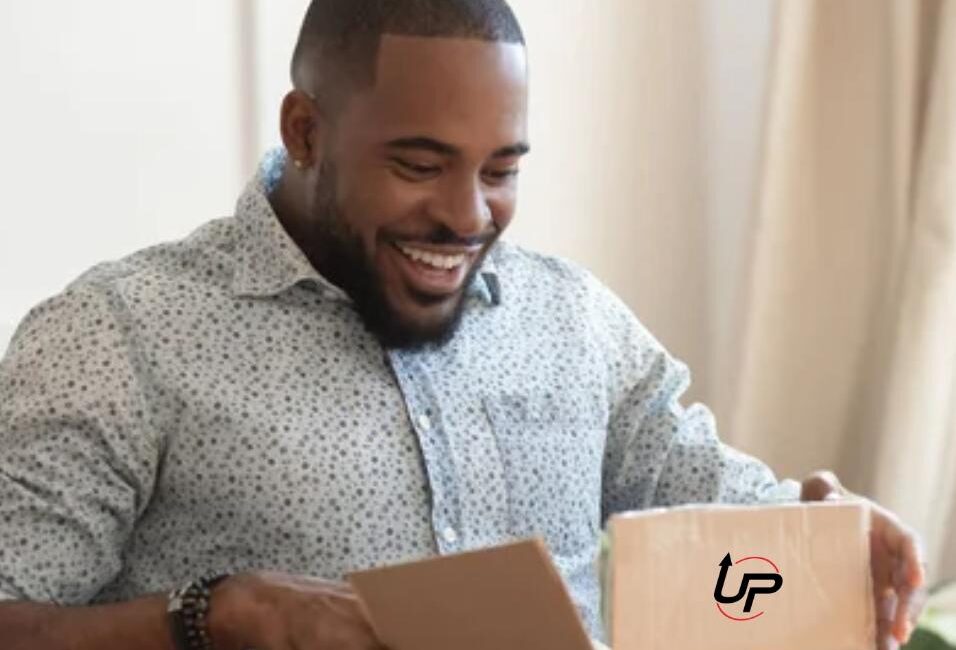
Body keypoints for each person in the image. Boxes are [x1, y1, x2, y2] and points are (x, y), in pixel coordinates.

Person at [0, 1, 925, 649]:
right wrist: (217, 617)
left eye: (501, 170)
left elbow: (715, 504)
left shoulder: (574, 323)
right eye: (420, 164)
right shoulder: (117, 336)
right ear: (306, 132)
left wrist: (823, 534)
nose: (467, 215)